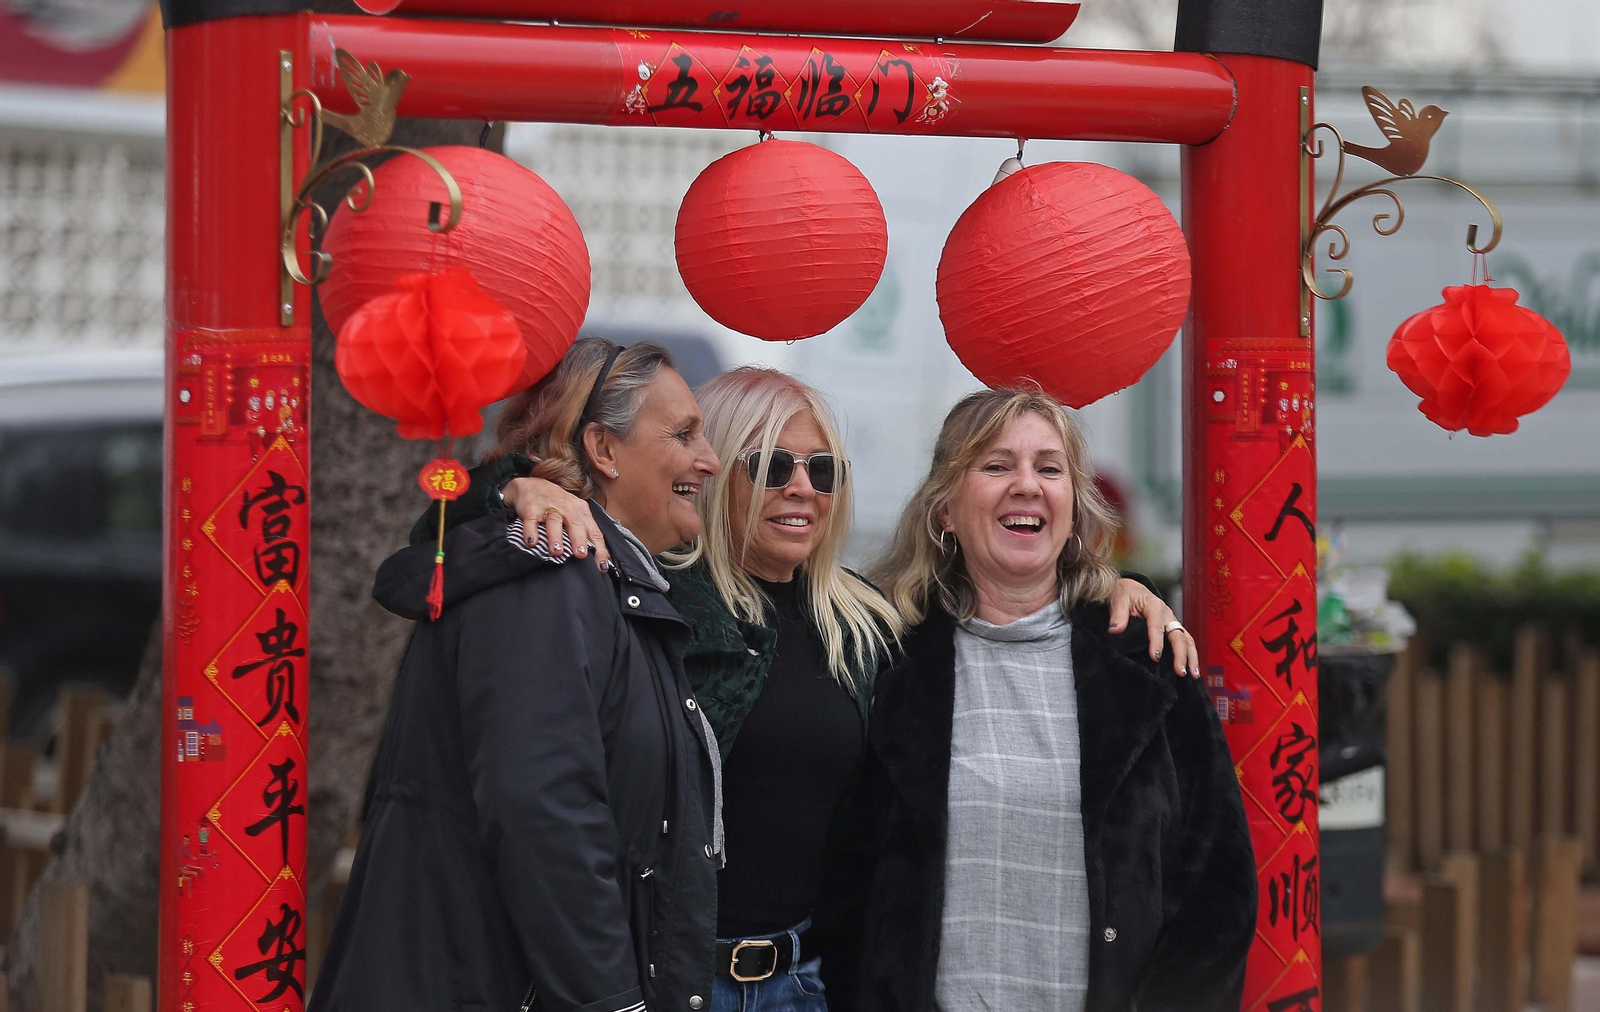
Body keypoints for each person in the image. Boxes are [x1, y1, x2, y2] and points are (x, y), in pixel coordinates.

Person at [406, 362, 1196, 1012]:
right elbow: (447, 555)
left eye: (822, 470)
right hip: (664, 982)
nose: (801, 487)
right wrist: (513, 487)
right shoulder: (648, 599)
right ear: (714, 470)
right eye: (771, 465)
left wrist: (1113, 594)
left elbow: (1001, 595)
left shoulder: (868, 625)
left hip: (803, 984)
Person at [311, 339, 724, 1012]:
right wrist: (612, 1002)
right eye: (683, 434)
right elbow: (546, 814)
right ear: (604, 449)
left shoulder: (607, 581)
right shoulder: (548, 571)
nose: (709, 459)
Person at [847, 387, 1256, 1012]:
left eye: (1049, 468)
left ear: (1074, 508)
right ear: (945, 510)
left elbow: (1216, 883)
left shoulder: (1147, 658)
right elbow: (847, 882)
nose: (1026, 485)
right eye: (996, 465)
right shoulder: (883, 657)